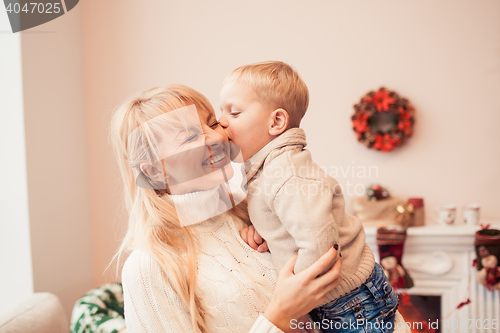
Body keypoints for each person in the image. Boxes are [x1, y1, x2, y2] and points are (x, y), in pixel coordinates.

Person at [109, 84, 343, 333]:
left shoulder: (257, 212)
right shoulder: (149, 267)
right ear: (155, 171)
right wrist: (279, 316)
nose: (219, 138)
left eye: (212, 124)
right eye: (189, 137)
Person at [218, 61, 404, 333]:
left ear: (276, 122)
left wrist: (293, 302)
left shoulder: (287, 173)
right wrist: (265, 233)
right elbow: (295, 223)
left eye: (234, 112)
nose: (221, 121)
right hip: (341, 301)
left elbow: (319, 245)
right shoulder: (269, 170)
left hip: (352, 302)